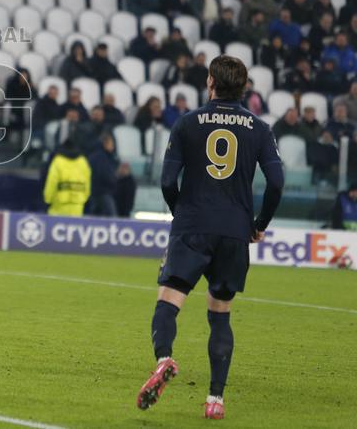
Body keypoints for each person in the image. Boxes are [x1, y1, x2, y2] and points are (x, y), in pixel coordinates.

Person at [138, 55, 284, 420]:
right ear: (245, 87)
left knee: (168, 301)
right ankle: (215, 399)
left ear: (210, 83)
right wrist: (259, 223)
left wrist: (180, 213)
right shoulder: (260, 128)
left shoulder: (187, 123)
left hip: (192, 226)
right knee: (220, 315)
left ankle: (164, 358)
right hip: (235, 230)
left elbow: (168, 181)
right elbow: (277, 183)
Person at [43, 137, 91, 217]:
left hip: (59, 203)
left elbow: (52, 181)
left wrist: (47, 199)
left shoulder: (58, 161)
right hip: (77, 203)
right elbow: (87, 182)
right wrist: (84, 197)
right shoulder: (83, 162)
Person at [87, 133, 119, 216]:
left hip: (94, 193)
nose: (113, 146)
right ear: (104, 144)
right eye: (111, 144)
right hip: (103, 193)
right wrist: (114, 180)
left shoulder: (94, 156)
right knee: (111, 218)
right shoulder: (102, 158)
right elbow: (105, 175)